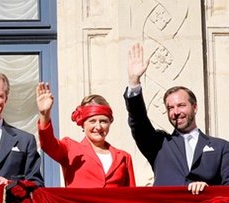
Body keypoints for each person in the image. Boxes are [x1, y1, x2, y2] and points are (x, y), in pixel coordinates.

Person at [125, 43, 229, 194]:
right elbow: (138, 121)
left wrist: (208, 189)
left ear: (195, 107)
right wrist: (134, 82)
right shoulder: (158, 145)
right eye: (170, 108)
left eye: (181, 105)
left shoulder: (221, 147)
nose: (176, 112)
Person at [36, 82, 135, 188]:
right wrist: (44, 115)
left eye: (103, 121)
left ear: (110, 123)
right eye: (92, 121)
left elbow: (132, 197)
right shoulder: (70, 149)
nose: (98, 126)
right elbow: (47, 143)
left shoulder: (123, 157)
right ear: (83, 124)